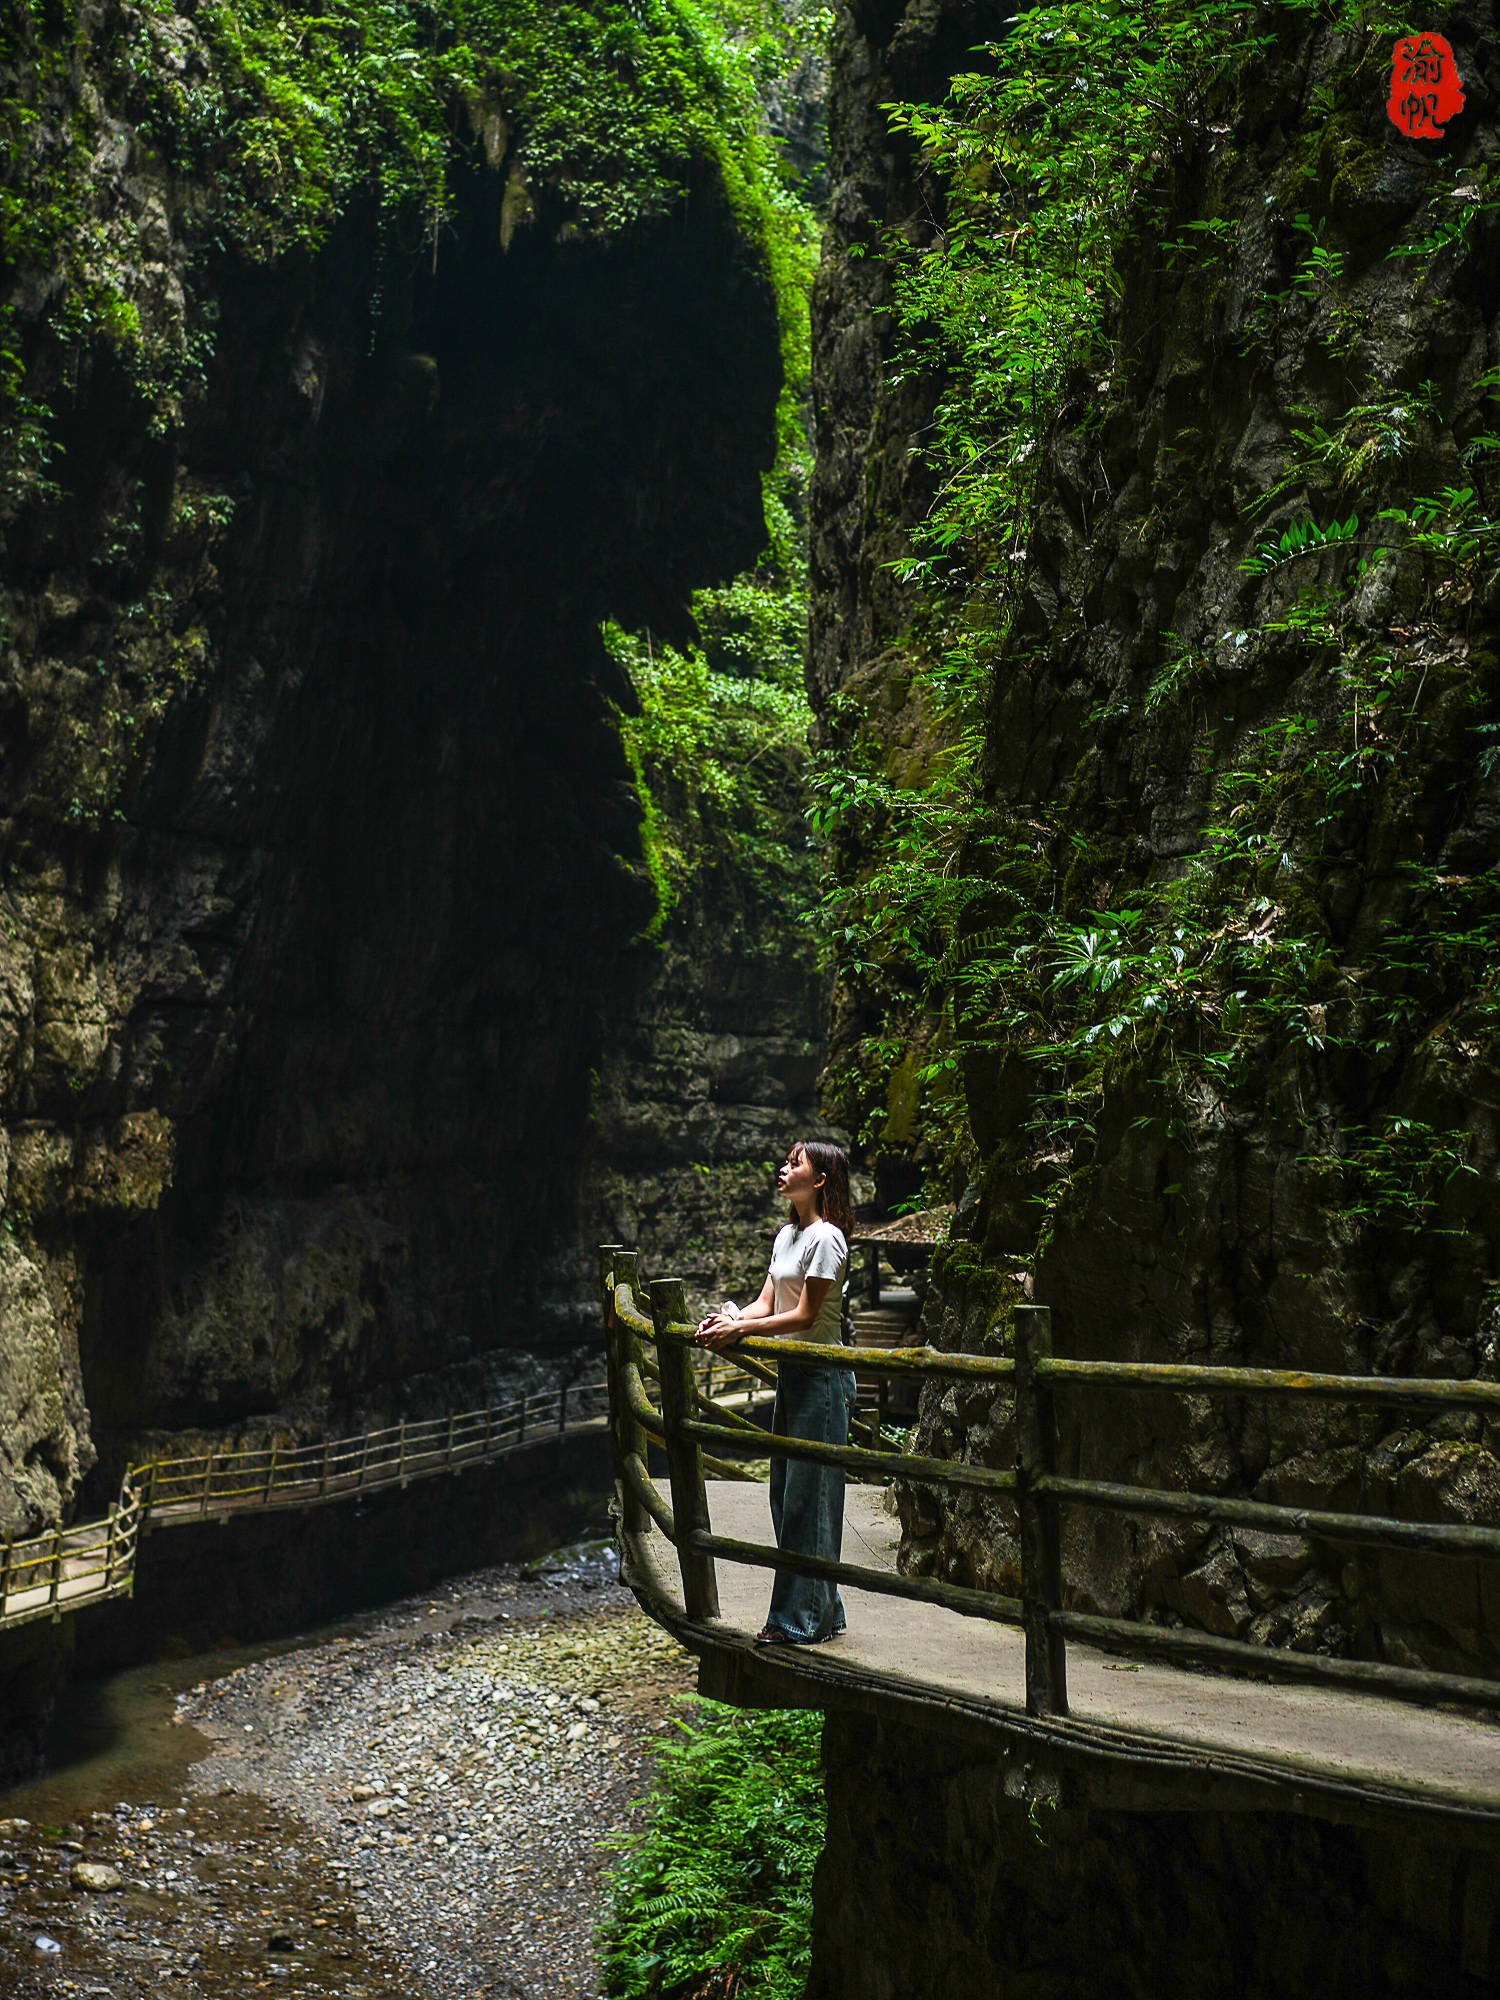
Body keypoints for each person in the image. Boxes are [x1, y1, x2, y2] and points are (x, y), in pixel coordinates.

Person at [695, 1139, 857, 1645]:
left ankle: (798, 1621)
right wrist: (731, 1318)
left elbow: (806, 1315)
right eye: (786, 1162)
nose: (783, 1169)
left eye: (795, 1163)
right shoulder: (788, 1234)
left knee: (809, 1500)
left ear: (820, 1179)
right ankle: (823, 1611)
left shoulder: (827, 1239)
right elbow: (767, 1302)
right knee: (786, 1494)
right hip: (794, 1376)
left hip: (823, 1379)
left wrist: (741, 1333)